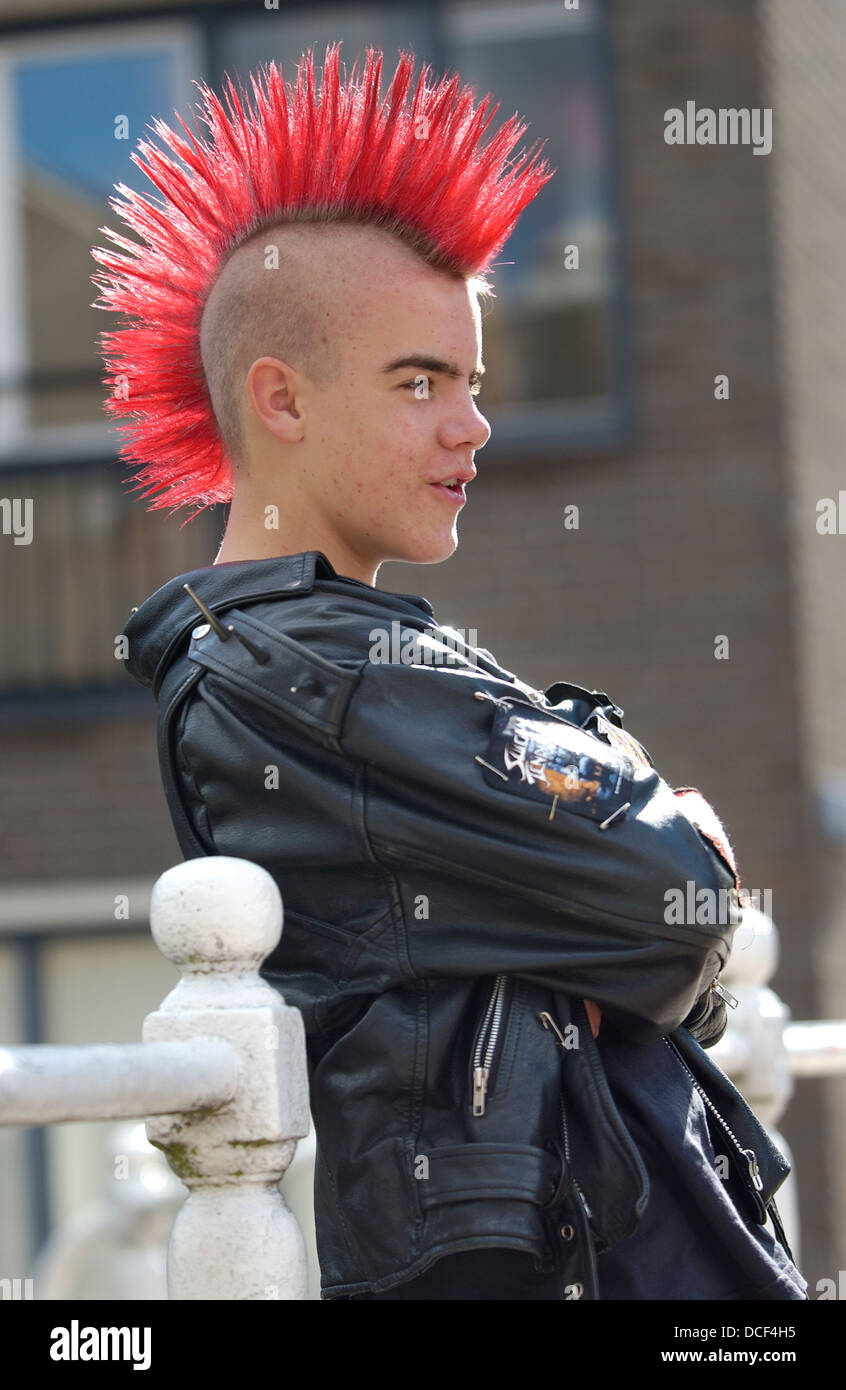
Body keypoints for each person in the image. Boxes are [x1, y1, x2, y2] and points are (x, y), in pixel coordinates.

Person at [102, 43, 807, 1300]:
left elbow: (667, 954)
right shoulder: (316, 670)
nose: (472, 425)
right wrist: (669, 826)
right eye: (419, 382)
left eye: (471, 383)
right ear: (282, 399)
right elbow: (674, 891)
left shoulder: (316, 658)